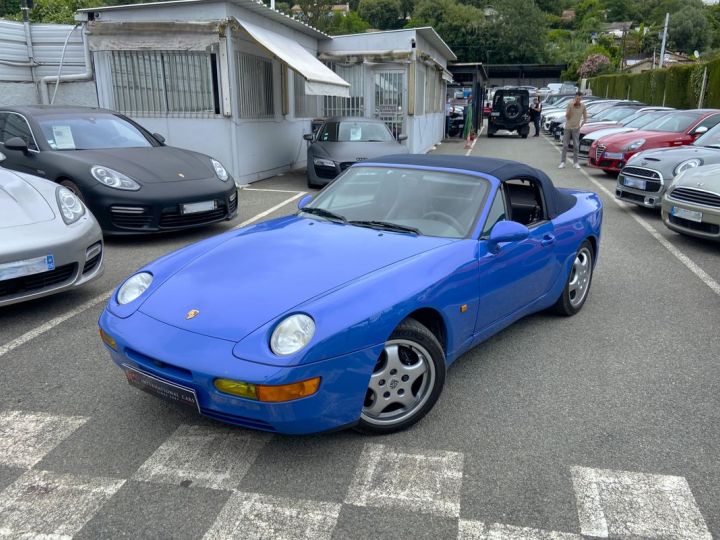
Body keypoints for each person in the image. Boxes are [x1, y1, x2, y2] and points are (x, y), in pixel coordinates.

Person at [559, 92, 587, 169]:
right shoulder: (570, 104)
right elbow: (567, 117)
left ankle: (576, 163)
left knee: (576, 146)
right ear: (575, 98)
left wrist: (581, 124)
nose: (578, 100)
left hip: (576, 128)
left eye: (580, 98)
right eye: (577, 98)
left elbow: (585, 117)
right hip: (568, 127)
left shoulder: (583, 106)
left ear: (581, 99)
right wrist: (570, 109)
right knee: (565, 145)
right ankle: (562, 162)